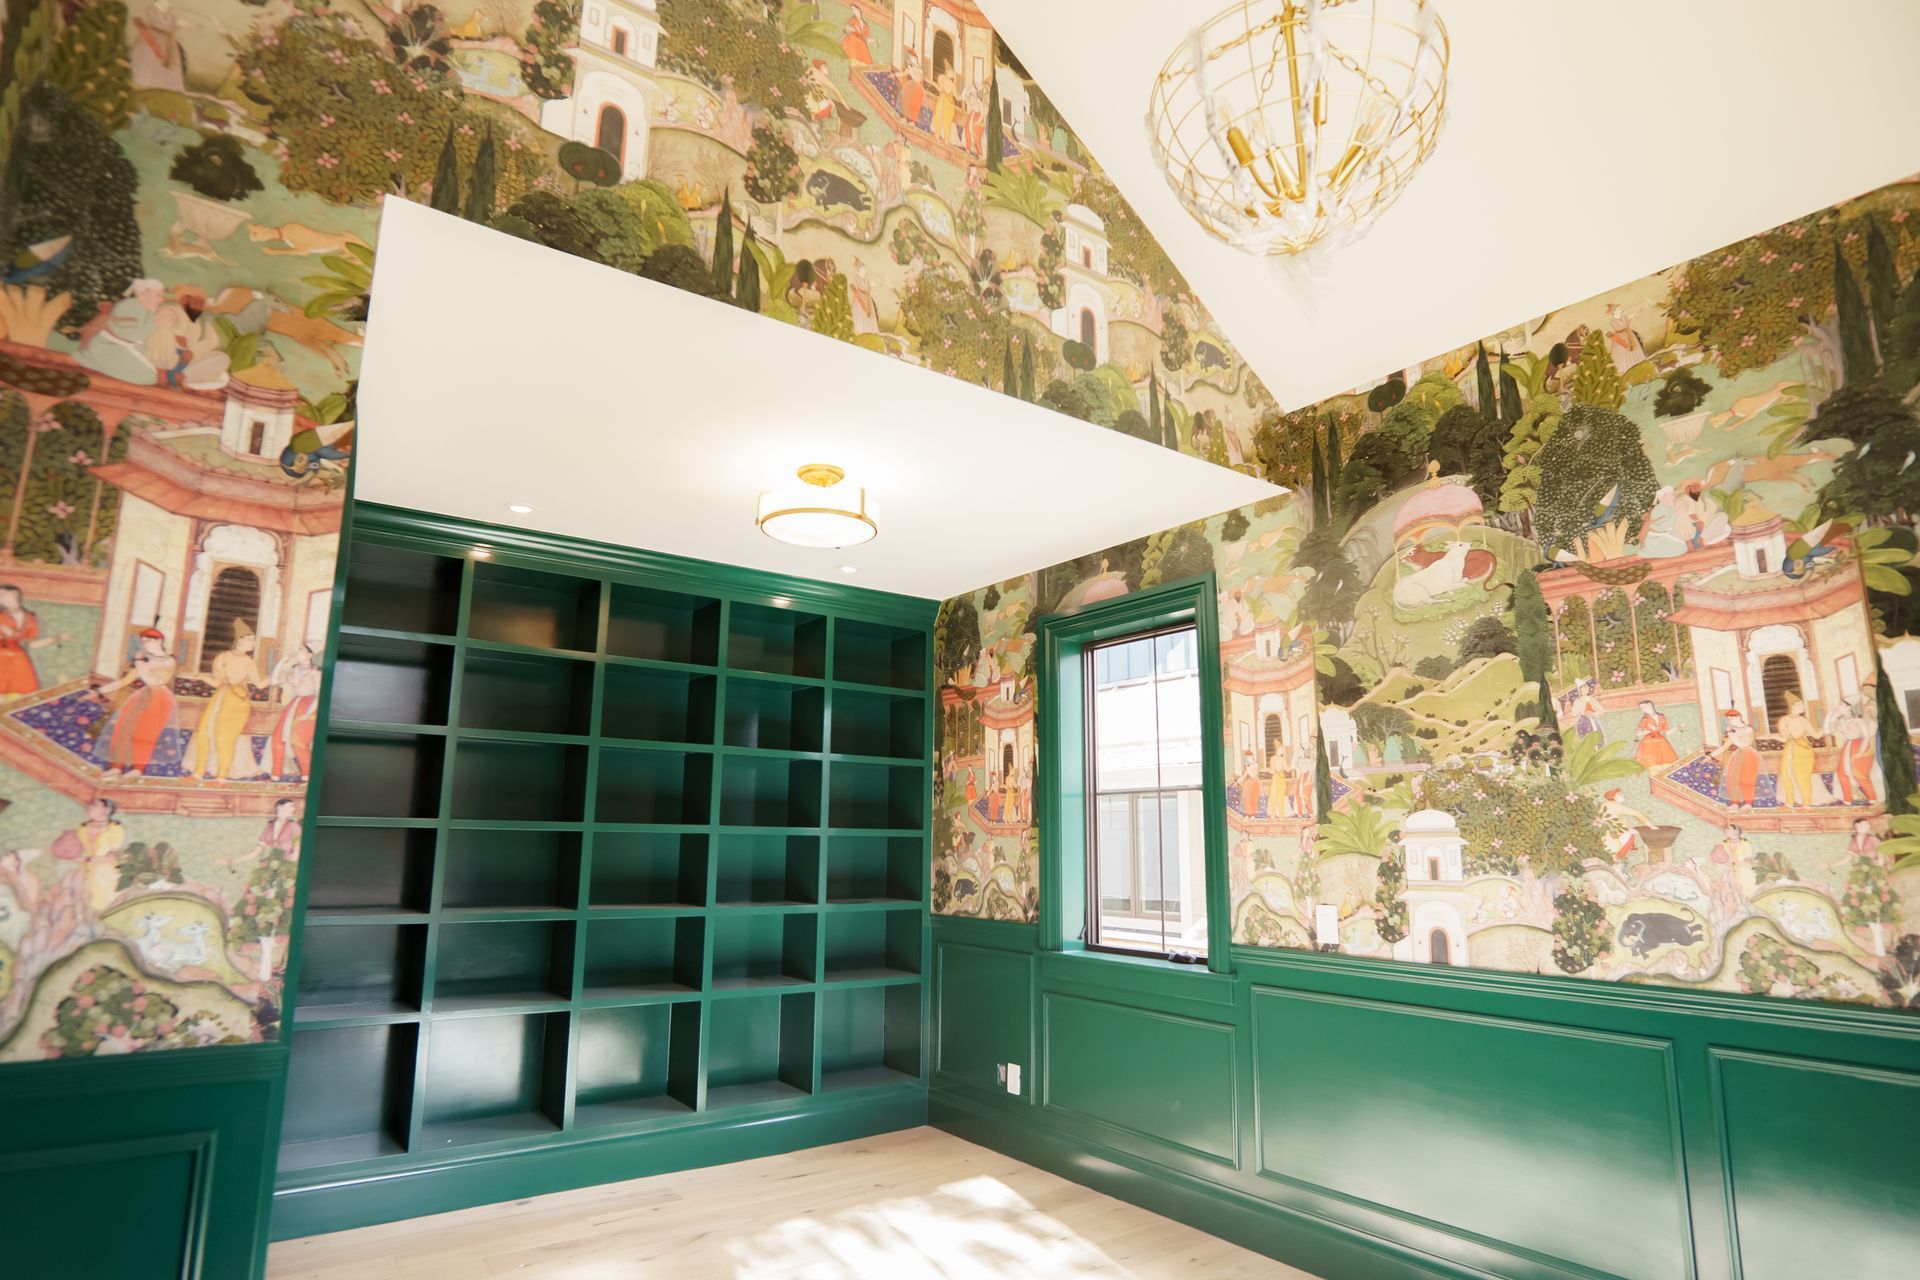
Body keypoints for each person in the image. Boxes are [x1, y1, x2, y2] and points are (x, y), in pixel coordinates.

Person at [93, 628, 179, 777]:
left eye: (149, 641)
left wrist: (139, 662)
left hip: (159, 697)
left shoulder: (169, 660)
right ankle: (116, 766)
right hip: (141, 696)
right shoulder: (146, 661)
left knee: (145, 733)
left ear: (160, 641)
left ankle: (137, 769)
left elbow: (154, 680)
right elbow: (124, 681)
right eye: (143, 642)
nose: (146, 645)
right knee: (122, 728)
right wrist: (100, 691)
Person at [189, 619, 265, 781]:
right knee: (204, 733)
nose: (253, 643)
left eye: (253, 640)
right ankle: (198, 772)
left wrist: (277, 676)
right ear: (239, 640)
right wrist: (200, 676)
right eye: (250, 639)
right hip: (220, 697)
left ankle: (221, 776)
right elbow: (216, 682)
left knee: (225, 738)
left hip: (238, 701)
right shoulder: (222, 657)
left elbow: (259, 684)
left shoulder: (249, 662)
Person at [49, 797, 128, 916]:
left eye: (94, 805)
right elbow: (76, 849)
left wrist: (87, 859)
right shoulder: (83, 828)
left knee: (101, 905)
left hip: (106, 872)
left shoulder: (115, 829)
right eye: (89, 804)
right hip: (85, 869)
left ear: (106, 810)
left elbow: (112, 857)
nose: (89, 807)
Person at [0, 584, 67, 699]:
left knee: (27, 689)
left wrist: (57, 638)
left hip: (17, 657)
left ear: (16, 596)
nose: (1, 598)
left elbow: (33, 644)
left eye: (3, 595)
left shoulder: (30, 617)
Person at [267, 643, 321, 781]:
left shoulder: (316, 673)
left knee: (298, 742)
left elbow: (319, 696)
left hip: (309, 706)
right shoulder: (293, 671)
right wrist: (282, 663)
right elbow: (274, 681)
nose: (297, 653)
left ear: (310, 654)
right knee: (277, 738)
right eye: (297, 651)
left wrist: (308, 714)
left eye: (301, 651)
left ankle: (307, 775)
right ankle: (276, 774)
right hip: (294, 705)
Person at [1713, 710, 1762, 811]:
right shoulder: (1732, 731)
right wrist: (1710, 756)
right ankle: (1735, 803)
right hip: (1737, 756)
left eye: (1732, 718)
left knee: (1747, 779)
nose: (1730, 720)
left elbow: (1743, 743)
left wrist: (1730, 734)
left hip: (1749, 754)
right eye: (1728, 719)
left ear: (1739, 717)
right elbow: (1724, 747)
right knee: (1731, 779)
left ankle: (1748, 803)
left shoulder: (1748, 729)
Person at [1775, 697, 1817, 807]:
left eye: (1802, 704)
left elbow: (1816, 735)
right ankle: (1789, 802)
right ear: (1792, 706)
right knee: (1786, 775)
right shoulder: (1784, 720)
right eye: (1799, 705)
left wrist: (1828, 727)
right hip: (1789, 748)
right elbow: (1784, 738)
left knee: (1802, 776)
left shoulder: (1804, 721)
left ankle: (1806, 804)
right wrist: (1772, 736)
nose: (1802, 707)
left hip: (1804, 750)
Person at [1601, 788, 1654, 862]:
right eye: (1619, 794)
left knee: (1629, 828)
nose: (1623, 795)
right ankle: (1618, 857)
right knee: (1632, 833)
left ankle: (1619, 856)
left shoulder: (1606, 804)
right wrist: (1651, 826)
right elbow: (1638, 814)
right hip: (1610, 838)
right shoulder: (1614, 806)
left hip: (1605, 833)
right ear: (1614, 797)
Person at [1633, 699, 1678, 769]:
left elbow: (1666, 732)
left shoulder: (1662, 717)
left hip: (1662, 743)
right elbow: (1637, 733)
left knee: (1666, 766)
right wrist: (1647, 731)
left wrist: (1678, 727)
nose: (1643, 710)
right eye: (1641, 708)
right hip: (1649, 744)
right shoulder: (1645, 719)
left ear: (1650, 705)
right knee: (1652, 766)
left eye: (1643, 707)